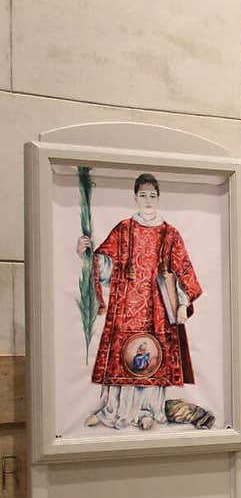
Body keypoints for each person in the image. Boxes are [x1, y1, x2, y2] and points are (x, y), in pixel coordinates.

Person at [76, 173, 203, 431]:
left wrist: (181, 303)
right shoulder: (124, 228)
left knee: (154, 360)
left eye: (152, 195)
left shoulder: (169, 233)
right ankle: (113, 412)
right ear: (135, 197)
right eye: (143, 195)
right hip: (126, 304)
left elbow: (183, 270)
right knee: (122, 357)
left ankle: (150, 412)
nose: (148, 200)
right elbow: (103, 264)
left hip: (156, 306)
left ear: (158, 198)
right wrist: (87, 253)